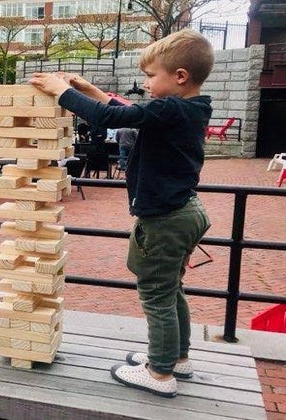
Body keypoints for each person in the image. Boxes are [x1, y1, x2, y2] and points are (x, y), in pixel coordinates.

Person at [29, 28, 214, 398]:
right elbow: (123, 113)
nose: (146, 83)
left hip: (165, 219)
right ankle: (176, 358)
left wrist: (61, 90)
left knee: (156, 294)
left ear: (180, 76)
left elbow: (110, 119)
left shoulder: (170, 108)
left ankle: (160, 373)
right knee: (171, 289)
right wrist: (87, 90)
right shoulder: (190, 108)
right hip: (186, 212)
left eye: (150, 76)